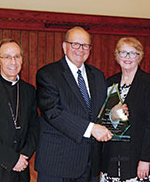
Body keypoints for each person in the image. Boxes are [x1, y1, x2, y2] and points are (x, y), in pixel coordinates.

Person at [34, 26, 114, 182]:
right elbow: (52, 112)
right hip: (57, 163)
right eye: (75, 44)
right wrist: (90, 128)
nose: (80, 49)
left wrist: (116, 113)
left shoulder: (98, 76)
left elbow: (101, 112)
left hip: (90, 164)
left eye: (85, 45)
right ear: (65, 47)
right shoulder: (48, 74)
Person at [100, 37, 150, 182]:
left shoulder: (149, 83)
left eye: (133, 53)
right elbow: (102, 118)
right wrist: (112, 115)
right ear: (117, 56)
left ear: (139, 56)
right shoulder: (110, 82)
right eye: (123, 53)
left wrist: (146, 159)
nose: (127, 57)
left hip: (140, 159)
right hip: (113, 157)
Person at [0, 39, 39, 182]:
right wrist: (12, 159)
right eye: (7, 57)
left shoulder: (29, 90)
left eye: (17, 56)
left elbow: (34, 127)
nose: (13, 62)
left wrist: (24, 156)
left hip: (21, 170)